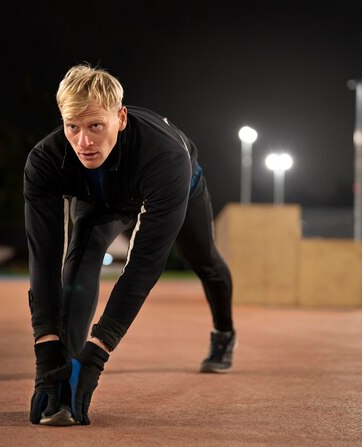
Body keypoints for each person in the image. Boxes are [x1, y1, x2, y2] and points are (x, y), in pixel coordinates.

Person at [24, 64, 236, 426]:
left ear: (120, 118)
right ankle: (62, 377)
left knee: (203, 259)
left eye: (96, 126)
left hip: (174, 185)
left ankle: (224, 333)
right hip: (101, 196)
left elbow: (144, 263)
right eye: (72, 127)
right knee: (81, 252)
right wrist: (46, 351)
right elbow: (44, 259)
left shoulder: (165, 156)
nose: (83, 142)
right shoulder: (45, 160)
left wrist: (99, 352)